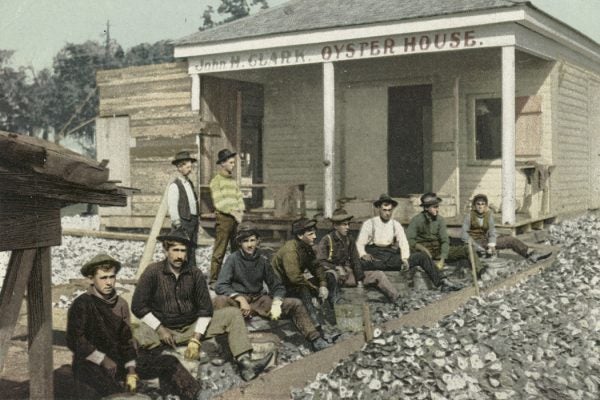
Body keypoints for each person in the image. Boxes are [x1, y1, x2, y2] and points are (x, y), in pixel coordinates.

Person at [131, 228, 273, 382]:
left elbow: (205, 309)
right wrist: (160, 329)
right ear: (166, 250)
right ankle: (134, 373)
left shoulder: (195, 273)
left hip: (191, 327)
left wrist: (196, 338)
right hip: (163, 329)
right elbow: (138, 306)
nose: (179, 256)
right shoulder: (153, 272)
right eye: (175, 250)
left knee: (232, 314)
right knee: (134, 336)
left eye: (183, 251)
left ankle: (246, 364)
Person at [67, 254, 201, 400]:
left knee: (169, 362)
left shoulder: (121, 304)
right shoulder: (82, 304)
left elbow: (126, 340)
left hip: (118, 362)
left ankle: (194, 395)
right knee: (117, 394)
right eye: (103, 278)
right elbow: (75, 340)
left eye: (112, 277)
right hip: (90, 365)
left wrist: (131, 370)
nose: (109, 282)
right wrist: (103, 359)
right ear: (92, 279)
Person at [214, 222, 330, 351]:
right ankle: (224, 344)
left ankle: (315, 339)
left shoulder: (263, 260)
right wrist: (240, 299)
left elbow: (277, 285)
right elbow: (221, 285)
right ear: (239, 243)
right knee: (220, 300)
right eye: (245, 241)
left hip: (259, 301)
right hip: (239, 301)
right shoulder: (233, 259)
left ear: (258, 241)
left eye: (253, 240)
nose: (250, 244)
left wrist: (277, 301)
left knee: (295, 303)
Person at [358, 193, 462, 292]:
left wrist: (404, 258)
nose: (387, 213)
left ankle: (442, 282)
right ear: (379, 209)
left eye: (390, 210)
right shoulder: (369, 224)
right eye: (384, 210)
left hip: (390, 257)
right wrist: (363, 254)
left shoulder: (396, 224)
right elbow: (359, 243)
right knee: (357, 263)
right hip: (375, 258)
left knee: (421, 256)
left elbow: (404, 242)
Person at [316, 208, 400, 302]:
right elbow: (320, 262)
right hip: (334, 275)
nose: (347, 227)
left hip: (348, 274)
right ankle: (334, 304)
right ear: (335, 226)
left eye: (348, 224)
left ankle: (397, 299)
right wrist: (336, 267)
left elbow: (355, 260)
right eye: (344, 224)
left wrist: (359, 280)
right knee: (330, 276)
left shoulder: (349, 239)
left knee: (378, 274)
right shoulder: (327, 240)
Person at [271, 218, 336, 327]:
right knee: (303, 288)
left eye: (314, 233)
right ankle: (315, 324)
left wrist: (323, 285)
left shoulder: (306, 247)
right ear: (300, 236)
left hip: (293, 284)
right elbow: (295, 278)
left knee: (329, 276)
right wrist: (315, 290)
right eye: (310, 234)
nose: (315, 237)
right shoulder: (290, 250)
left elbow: (317, 267)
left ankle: (332, 315)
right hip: (281, 287)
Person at [406, 192, 479, 280]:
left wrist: (442, 258)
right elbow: (409, 239)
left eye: (437, 206)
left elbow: (445, 240)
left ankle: (480, 273)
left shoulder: (440, 220)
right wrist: (422, 249)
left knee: (467, 249)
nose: (437, 209)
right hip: (423, 253)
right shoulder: (416, 220)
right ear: (426, 208)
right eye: (434, 207)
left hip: (439, 251)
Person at [461, 193, 552, 263]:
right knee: (507, 240)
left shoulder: (488, 216)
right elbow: (464, 236)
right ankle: (530, 254)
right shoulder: (469, 217)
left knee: (509, 239)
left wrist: (492, 245)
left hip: (486, 242)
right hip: (476, 243)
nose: (480, 206)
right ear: (474, 205)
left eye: (482, 204)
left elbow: (492, 232)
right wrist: (476, 246)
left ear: (485, 206)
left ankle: (530, 254)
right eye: (478, 204)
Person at [209, 148, 245, 284]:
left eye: (233, 162)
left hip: (236, 220)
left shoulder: (232, 181)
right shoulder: (216, 181)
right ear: (222, 163)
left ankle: (235, 279)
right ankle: (213, 280)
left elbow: (239, 197)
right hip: (224, 219)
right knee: (220, 251)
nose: (233, 165)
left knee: (236, 251)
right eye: (230, 162)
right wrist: (233, 212)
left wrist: (241, 211)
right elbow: (219, 202)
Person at [168, 150, 200, 266]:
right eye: (187, 167)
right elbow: (172, 207)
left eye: (191, 166)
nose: (190, 169)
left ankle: (191, 275)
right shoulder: (175, 186)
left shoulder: (189, 183)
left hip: (193, 221)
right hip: (183, 222)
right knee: (181, 251)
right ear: (179, 167)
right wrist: (178, 224)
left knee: (191, 250)